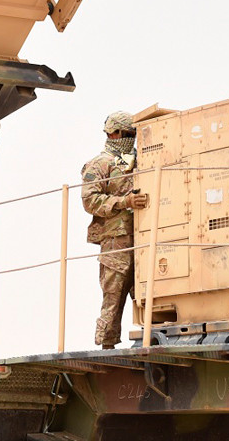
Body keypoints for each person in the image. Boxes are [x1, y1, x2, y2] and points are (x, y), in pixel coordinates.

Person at [81, 111, 147, 349]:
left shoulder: (143, 159)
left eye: (133, 134)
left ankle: (150, 339)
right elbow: (89, 200)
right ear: (114, 133)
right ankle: (107, 345)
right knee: (113, 296)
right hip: (115, 240)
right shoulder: (101, 164)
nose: (131, 139)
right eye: (127, 134)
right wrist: (123, 202)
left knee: (147, 293)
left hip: (144, 236)